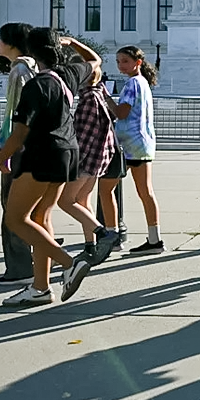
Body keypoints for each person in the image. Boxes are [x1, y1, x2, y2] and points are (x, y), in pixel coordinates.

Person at [0, 28, 93, 305]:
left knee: (15, 219)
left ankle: (69, 263)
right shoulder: (69, 74)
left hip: (41, 154)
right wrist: (74, 43)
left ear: (32, 51)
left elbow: (18, 135)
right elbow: (94, 62)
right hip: (67, 152)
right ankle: (40, 288)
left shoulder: (35, 86)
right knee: (40, 218)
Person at [58, 58, 122, 264]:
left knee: (65, 201)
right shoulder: (99, 94)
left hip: (86, 160)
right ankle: (90, 245)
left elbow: (84, 137)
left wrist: (74, 162)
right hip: (97, 160)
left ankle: (103, 233)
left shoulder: (88, 100)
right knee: (83, 202)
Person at [105, 46, 163, 255]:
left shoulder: (131, 84)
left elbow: (121, 113)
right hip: (142, 143)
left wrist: (106, 98)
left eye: (125, 61)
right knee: (146, 192)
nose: (121, 65)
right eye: (118, 61)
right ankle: (154, 238)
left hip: (128, 144)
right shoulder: (143, 82)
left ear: (137, 62)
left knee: (105, 189)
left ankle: (112, 237)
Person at [0, 22, 36, 287]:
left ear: (12, 43)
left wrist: (5, 154)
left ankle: (19, 268)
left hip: (18, 148)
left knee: (11, 209)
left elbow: (15, 116)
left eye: (0, 38)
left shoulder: (19, 71)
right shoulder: (30, 68)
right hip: (29, 147)